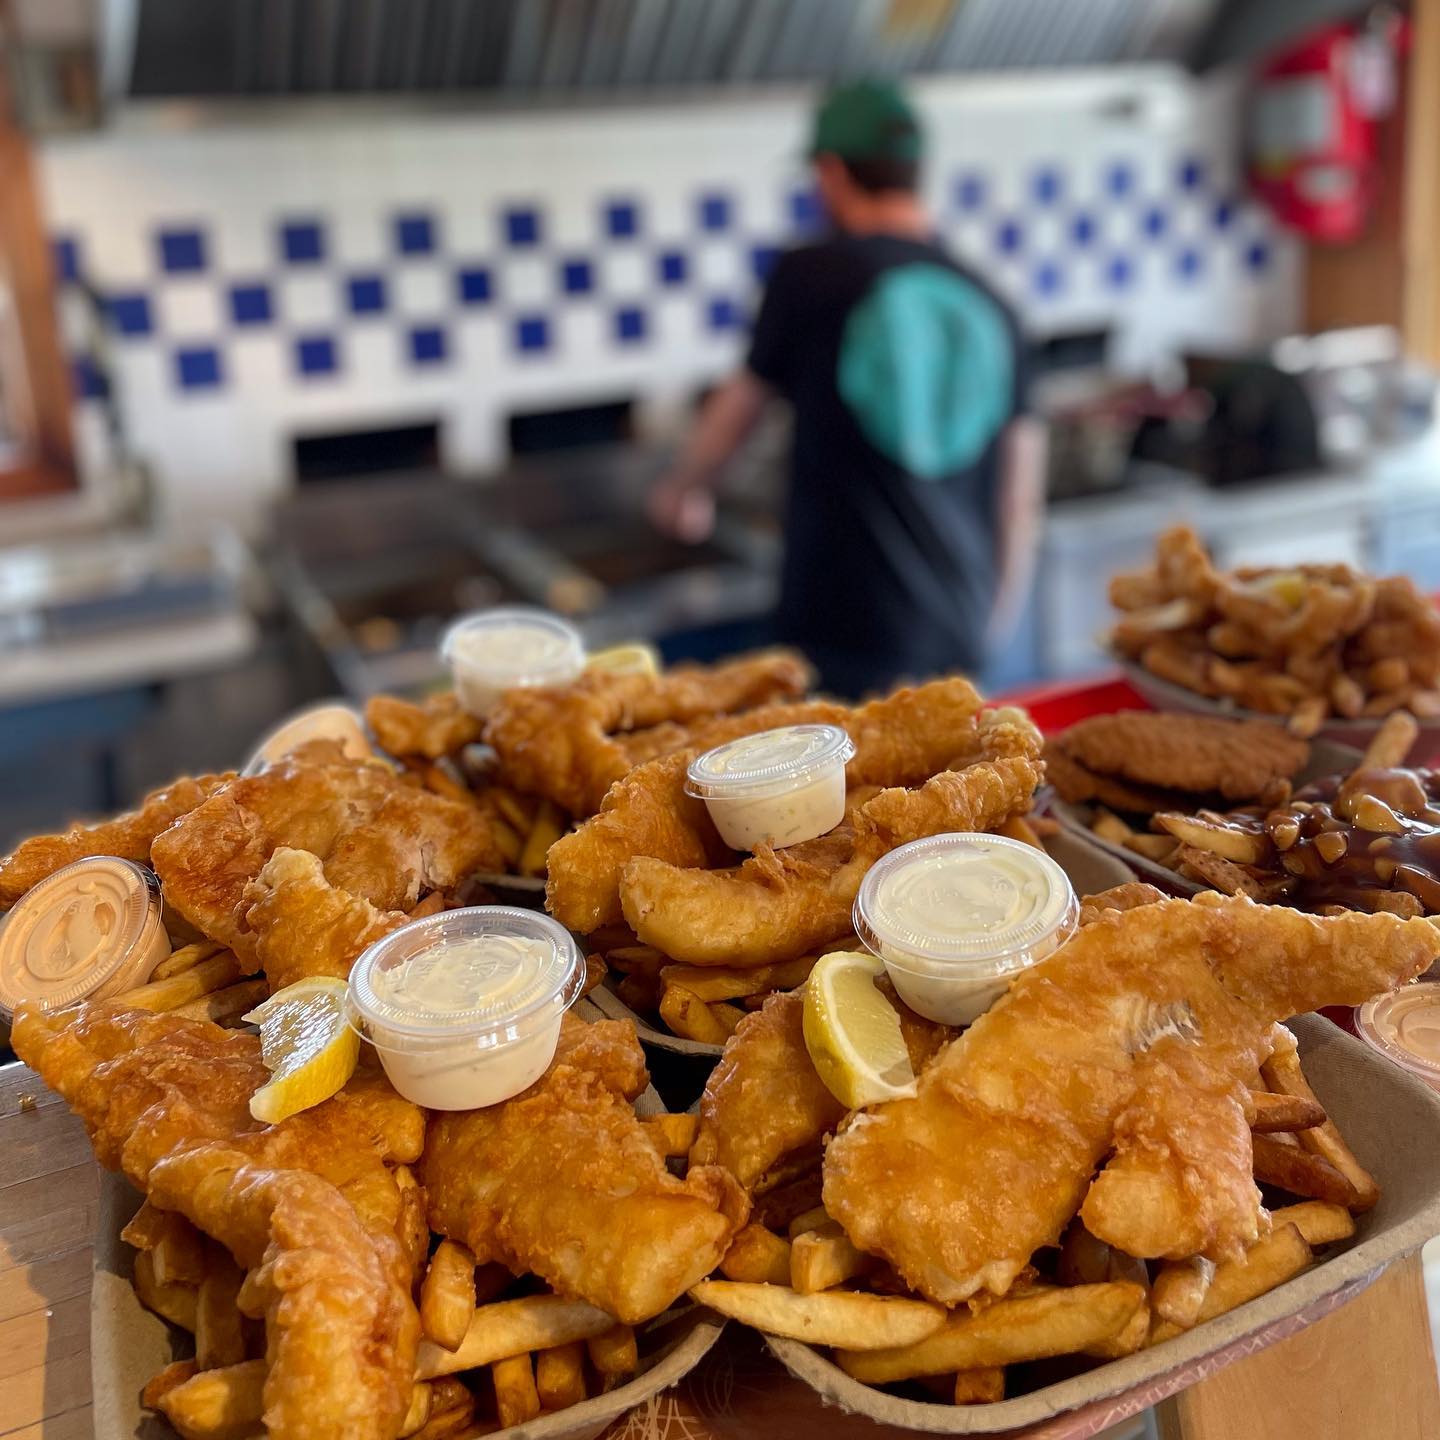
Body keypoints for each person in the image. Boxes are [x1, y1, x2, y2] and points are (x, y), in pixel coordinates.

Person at [649, 80, 1046, 699]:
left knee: (842, 796)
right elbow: (1020, 498)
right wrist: (990, 627)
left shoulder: (812, 273)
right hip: (959, 629)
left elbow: (739, 408)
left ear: (831, 174)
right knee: (955, 795)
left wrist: (684, 490)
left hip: (847, 632)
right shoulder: (993, 300)